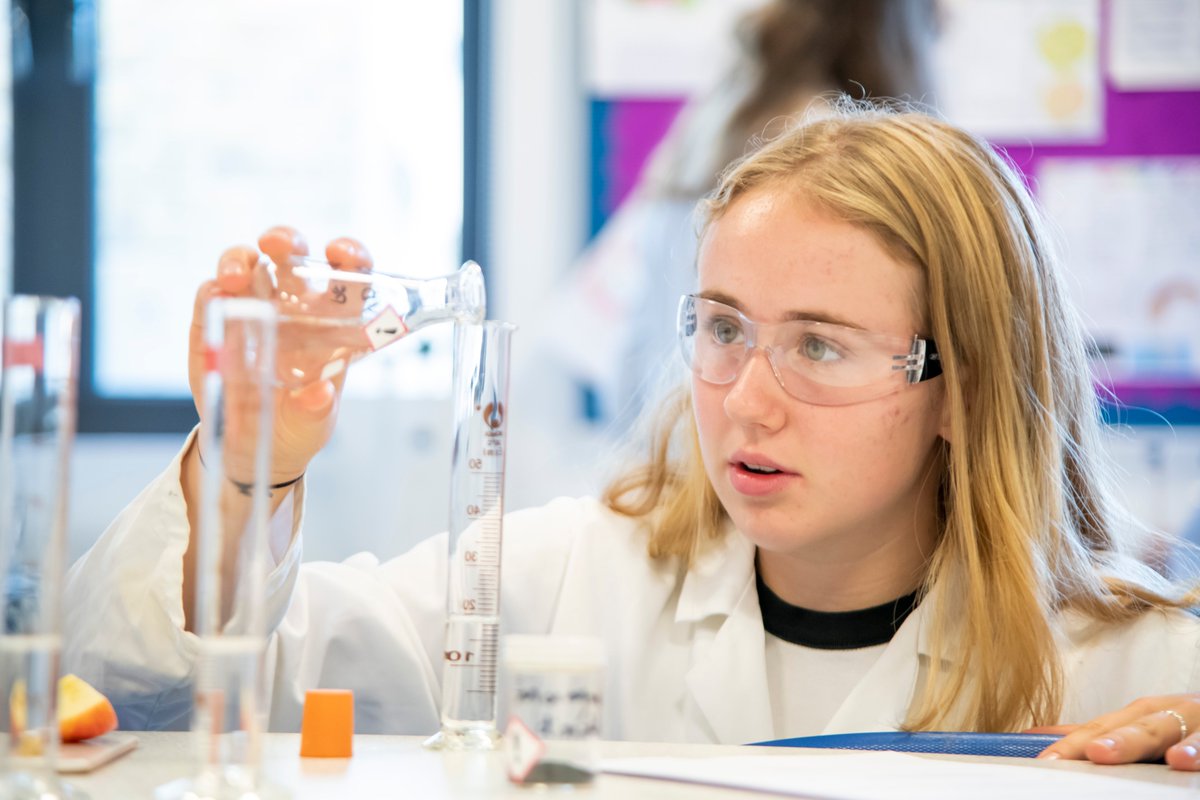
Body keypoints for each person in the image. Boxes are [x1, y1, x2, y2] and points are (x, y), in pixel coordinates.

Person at [64, 99, 1200, 770]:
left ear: (963, 385)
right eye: (722, 329)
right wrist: (242, 462)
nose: (746, 399)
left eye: (817, 345)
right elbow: (166, 693)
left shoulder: (1135, 666)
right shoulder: (562, 576)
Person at [529, 0, 941, 437]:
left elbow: (634, 354)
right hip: (737, 448)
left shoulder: (709, 130)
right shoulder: (827, 155)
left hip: (668, 448)